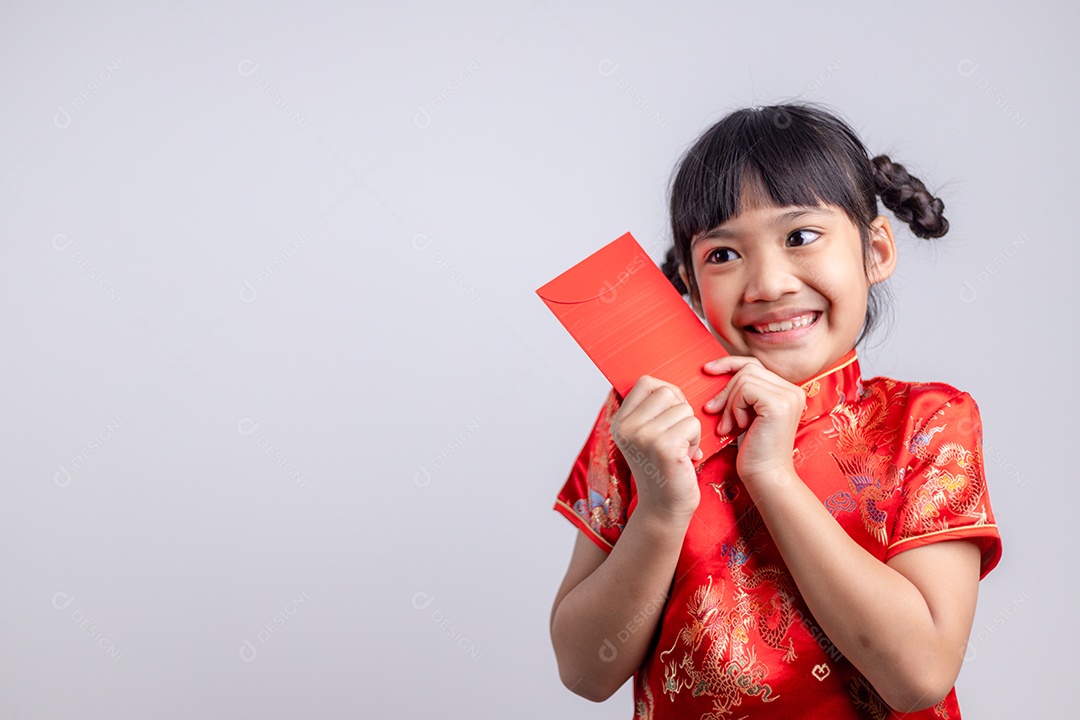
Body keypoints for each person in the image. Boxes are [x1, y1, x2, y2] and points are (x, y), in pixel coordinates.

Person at [548, 102, 1002, 719]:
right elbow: (583, 670)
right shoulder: (646, 420)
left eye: (800, 237)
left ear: (876, 251)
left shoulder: (926, 421)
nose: (767, 283)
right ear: (686, 278)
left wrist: (773, 477)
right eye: (723, 255)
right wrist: (660, 506)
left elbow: (918, 676)